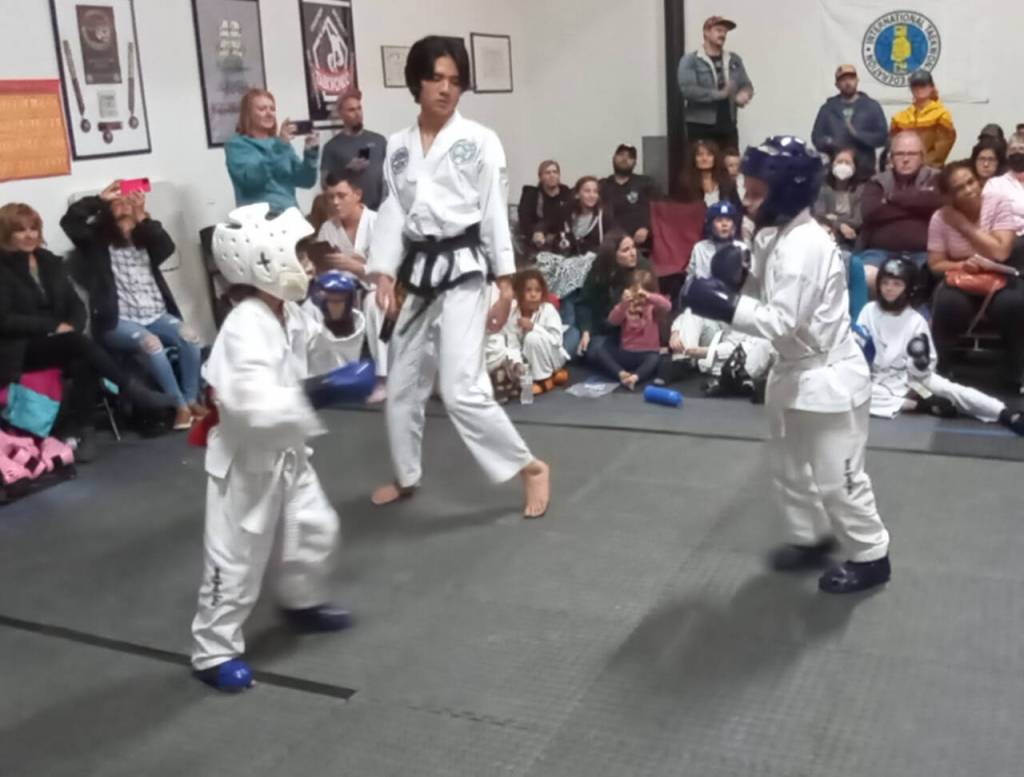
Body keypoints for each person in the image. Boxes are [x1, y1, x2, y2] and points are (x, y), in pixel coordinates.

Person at [687, 135, 891, 594]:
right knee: (789, 466)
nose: (746, 197)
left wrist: (723, 305)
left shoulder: (803, 247)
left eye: (757, 189)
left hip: (827, 374)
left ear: (786, 191)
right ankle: (812, 538)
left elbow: (781, 320)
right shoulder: (772, 232)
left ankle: (872, 553)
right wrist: (740, 276)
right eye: (747, 186)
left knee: (838, 476)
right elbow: (763, 290)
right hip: (791, 371)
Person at [190, 203, 371, 692]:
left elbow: (322, 350)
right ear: (261, 264)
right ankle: (212, 650)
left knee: (314, 529)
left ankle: (300, 601)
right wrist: (324, 391)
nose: (308, 265)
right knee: (235, 558)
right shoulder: (245, 324)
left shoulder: (286, 311)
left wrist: (338, 318)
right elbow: (248, 404)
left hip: (288, 452)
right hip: (248, 459)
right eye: (297, 255)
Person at [367, 35, 550, 518]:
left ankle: (529, 467)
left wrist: (506, 284)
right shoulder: (398, 148)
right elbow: (392, 211)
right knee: (403, 382)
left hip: (466, 270)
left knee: (461, 386)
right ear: (417, 82)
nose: (446, 89)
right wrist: (383, 271)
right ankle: (406, 475)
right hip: (417, 270)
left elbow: (493, 212)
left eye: (455, 80)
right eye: (436, 78)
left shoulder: (479, 141)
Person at [0, 204, 173, 461]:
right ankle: (131, 391)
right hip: (20, 347)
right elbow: (4, 320)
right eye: (20, 231)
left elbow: (76, 306)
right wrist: (52, 328)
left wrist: (71, 325)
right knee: (77, 344)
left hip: (62, 341)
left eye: (33, 229)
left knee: (84, 358)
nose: (29, 236)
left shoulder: (49, 262)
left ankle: (80, 430)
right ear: (6, 234)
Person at [61, 181, 204, 431]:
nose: (124, 204)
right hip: (118, 320)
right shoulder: (95, 241)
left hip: (154, 313)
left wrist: (141, 217)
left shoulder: (146, 237)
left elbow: (166, 247)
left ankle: (192, 399)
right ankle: (178, 405)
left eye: (129, 200)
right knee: (152, 345)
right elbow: (70, 223)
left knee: (190, 337)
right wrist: (99, 198)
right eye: (118, 202)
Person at [856, 256, 1024, 435]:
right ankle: (920, 404)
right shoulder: (868, 311)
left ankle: (1003, 412)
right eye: (885, 283)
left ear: (908, 288)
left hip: (911, 379)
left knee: (952, 390)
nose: (889, 289)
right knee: (853, 391)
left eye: (896, 284)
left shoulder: (915, 320)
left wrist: (920, 362)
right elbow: (857, 349)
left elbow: (925, 368)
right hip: (874, 379)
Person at [926, 161, 1024, 386]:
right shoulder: (940, 218)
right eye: (960, 188)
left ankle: (1015, 367)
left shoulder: (998, 203)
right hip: (963, 277)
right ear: (950, 195)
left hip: (999, 275)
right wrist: (963, 266)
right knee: (949, 302)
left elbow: (1001, 252)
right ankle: (944, 366)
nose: (969, 190)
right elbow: (935, 264)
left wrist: (963, 225)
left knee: (1013, 303)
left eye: (970, 182)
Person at [316, 172, 387, 403]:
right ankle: (333, 373)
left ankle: (382, 378)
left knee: (375, 302)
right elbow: (321, 267)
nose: (335, 202)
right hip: (342, 289)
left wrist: (357, 266)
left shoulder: (378, 222)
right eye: (330, 198)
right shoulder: (328, 228)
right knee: (317, 302)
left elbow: (390, 271)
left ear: (357, 195)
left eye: (341, 195)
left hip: (379, 288)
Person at [858, 131, 943, 291]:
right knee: (864, 277)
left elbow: (935, 203)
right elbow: (871, 212)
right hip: (879, 253)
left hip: (923, 255)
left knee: (922, 282)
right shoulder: (877, 182)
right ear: (891, 158)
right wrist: (917, 207)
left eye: (911, 154)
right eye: (900, 154)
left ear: (922, 157)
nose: (905, 159)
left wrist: (891, 198)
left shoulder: (936, 178)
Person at [535, 176, 611, 355]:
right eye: (587, 191)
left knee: (573, 279)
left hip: (591, 264)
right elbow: (547, 223)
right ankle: (556, 325)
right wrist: (539, 232)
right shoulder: (567, 213)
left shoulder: (603, 216)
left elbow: (613, 238)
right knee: (544, 264)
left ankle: (571, 334)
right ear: (577, 194)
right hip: (566, 262)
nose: (592, 195)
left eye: (595, 191)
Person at [225, 88, 319, 214]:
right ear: (248, 113)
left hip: (290, 215)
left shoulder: (280, 143)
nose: (269, 114)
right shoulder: (237, 145)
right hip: (260, 220)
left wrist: (310, 153)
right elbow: (253, 180)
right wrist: (279, 147)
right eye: (262, 109)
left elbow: (306, 181)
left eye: (272, 109)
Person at [485, 269, 568, 397]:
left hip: (551, 356)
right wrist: (520, 367)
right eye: (528, 290)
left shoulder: (548, 310)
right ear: (519, 293)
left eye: (537, 290)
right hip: (526, 360)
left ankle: (543, 380)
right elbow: (513, 346)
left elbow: (556, 342)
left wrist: (534, 327)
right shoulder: (512, 313)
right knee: (504, 351)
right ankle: (541, 378)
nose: (533, 295)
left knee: (532, 338)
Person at [677, 15, 754, 150]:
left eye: (725, 32)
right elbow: (688, 90)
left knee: (730, 167)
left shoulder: (734, 59)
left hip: (728, 125)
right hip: (701, 126)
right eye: (718, 30)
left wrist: (745, 94)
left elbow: (746, 84)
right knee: (702, 166)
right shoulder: (690, 60)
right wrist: (721, 94)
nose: (723, 34)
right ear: (706, 32)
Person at [574, 231, 650, 363]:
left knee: (601, 352)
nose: (633, 253)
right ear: (613, 255)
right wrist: (586, 331)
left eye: (633, 247)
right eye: (626, 250)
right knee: (583, 349)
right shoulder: (599, 268)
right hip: (601, 326)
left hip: (631, 332)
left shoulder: (643, 269)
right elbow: (584, 303)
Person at [590, 268, 670, 390]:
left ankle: (635, 378)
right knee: (601, 351)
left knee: (655, 359)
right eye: (635, 292)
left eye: (642, 294)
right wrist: (623, 305)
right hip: (626, 352)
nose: (638, 298)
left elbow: (667, 306)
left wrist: (649, 297)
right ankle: (621, 373)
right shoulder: (625, 306)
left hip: (647, 353)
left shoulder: (653, 307)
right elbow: (612, 321)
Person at [811, 65, 888, 182]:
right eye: (843, 80)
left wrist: (858, 135)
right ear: (837, 84)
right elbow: (816, 138)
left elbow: (882, 137)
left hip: (865, 174)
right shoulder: (828, 108)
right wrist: (833, 144)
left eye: (851, 78)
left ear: (857, 80)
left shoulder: (872, 106)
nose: (848, 83)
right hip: (834, 175)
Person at [320, 90, 388, 210]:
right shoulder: (332, 147)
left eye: (359, 108)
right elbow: (325, 184)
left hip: (382, 209)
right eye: (351, 110)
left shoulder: (379, 140)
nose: (357, 113)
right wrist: (347, 170)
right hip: (352, 212)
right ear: (341, 114)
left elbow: (392, 174)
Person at [889, 70, 956, 169]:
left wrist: (920, 164)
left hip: (931, 170)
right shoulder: (900, 117)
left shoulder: (941, 115)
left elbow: (941, 149)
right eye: (915, 86)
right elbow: (894, 145)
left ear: (931, 87)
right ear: (911, 89)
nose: (919, 89)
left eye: (923, 85)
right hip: (903, 168)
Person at [600, 144, 658, 249]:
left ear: (635, 162)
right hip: (610, 242)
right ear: (614, 158)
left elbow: (659, 211)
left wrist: (647, 228)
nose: (625, 159)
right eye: (621, 154)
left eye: (630, 157)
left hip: (640, 243)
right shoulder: (603, 185)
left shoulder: (646, 183)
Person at [813, 148, 863, 254]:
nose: (843, 166)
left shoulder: (860, 190)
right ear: (832, 165)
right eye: (839, 162)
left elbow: (858, 221)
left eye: (847, 163)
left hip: (851, 241)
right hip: (826, 239)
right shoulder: (823, 189)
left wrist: (834, 218)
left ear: (855, 166)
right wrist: (840, 225)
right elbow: (819, 215)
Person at [517, 160, 572, 253]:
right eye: (547, 173)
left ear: (559, 175)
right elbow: (524, 220)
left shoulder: (566, 194)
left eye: (555, 172)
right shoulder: (531, 195)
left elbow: (568, 217)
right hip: (539, 241)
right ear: (540, 177)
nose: (552, 175)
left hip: (563, 239)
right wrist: (535, 232)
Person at [982, 131, 1024, 238]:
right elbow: (986, 220)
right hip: (1007, 241)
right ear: (1007, 155)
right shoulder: (995, 184)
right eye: (1013, 150)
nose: (1017, 154)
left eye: (1022, 149)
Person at [677, 140, 740, 208]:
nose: (704, 158)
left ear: (715, 158)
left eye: (709, 155)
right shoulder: (685, 183)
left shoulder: (727, 182)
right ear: (694, 159)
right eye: (700, 155)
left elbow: (737, 208)